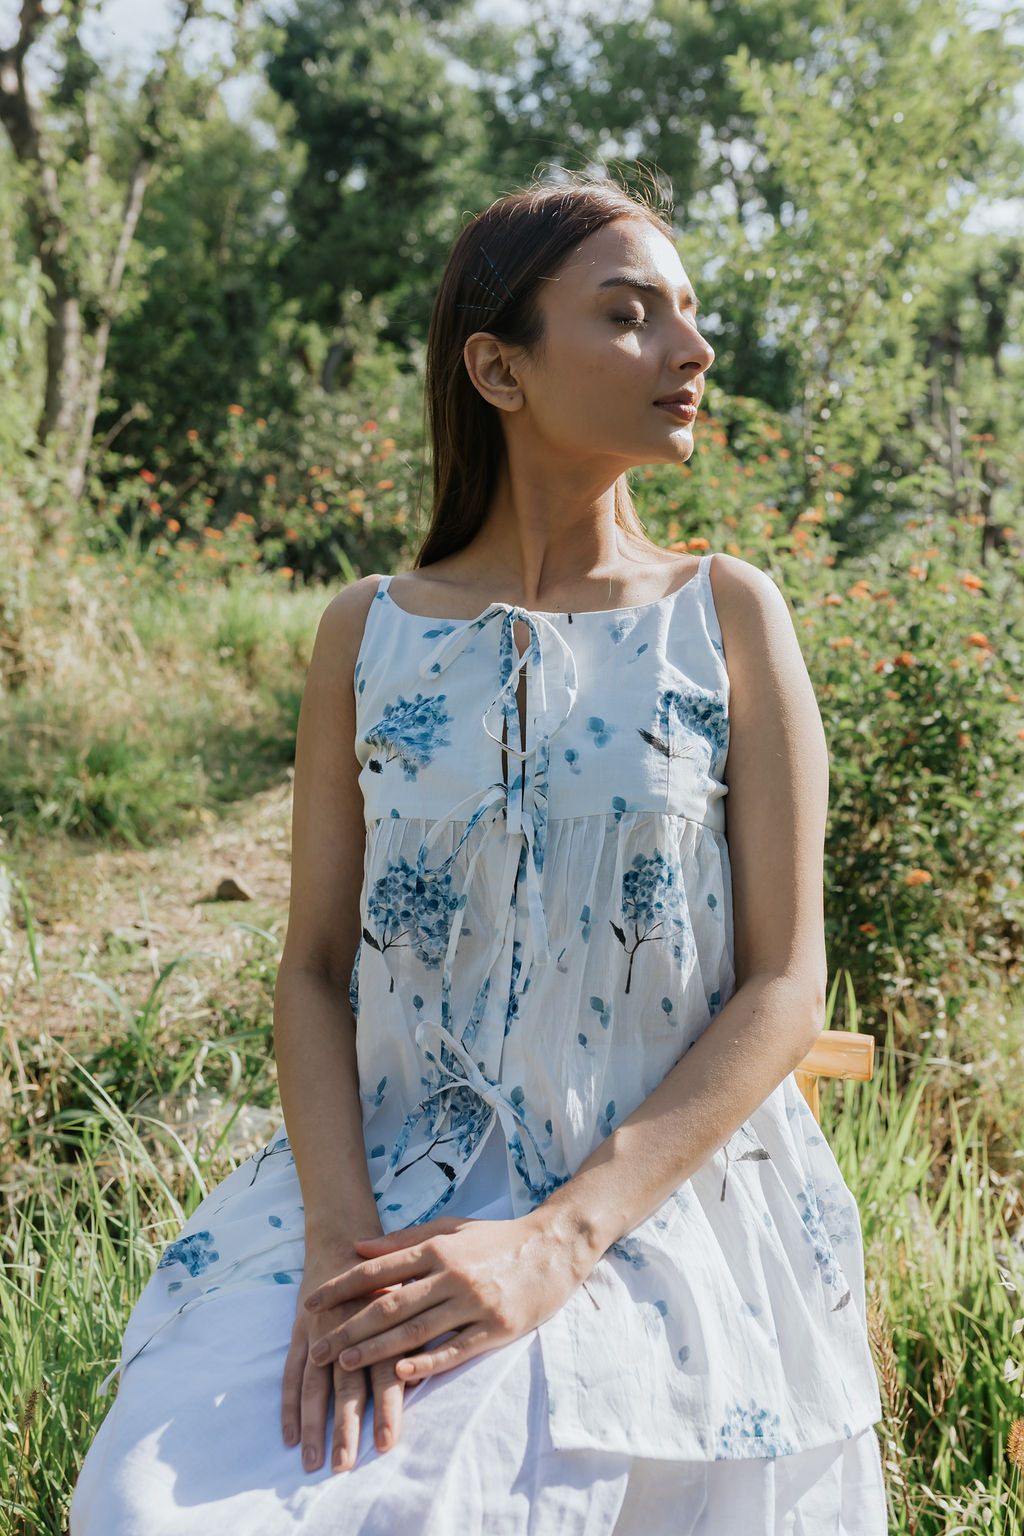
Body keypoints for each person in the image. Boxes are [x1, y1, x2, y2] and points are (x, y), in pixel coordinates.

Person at [71, 180, 887, 1534]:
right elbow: (317, 970)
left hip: (655, 1201)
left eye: (689, 315)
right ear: (496, 366)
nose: (690, 353)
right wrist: (339, 1243)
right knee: (153, 1506)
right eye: (628, 316)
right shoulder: (367, 631)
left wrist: (560, 1239)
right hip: (381, 1187)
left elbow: (785, 986)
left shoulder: (728, 615)